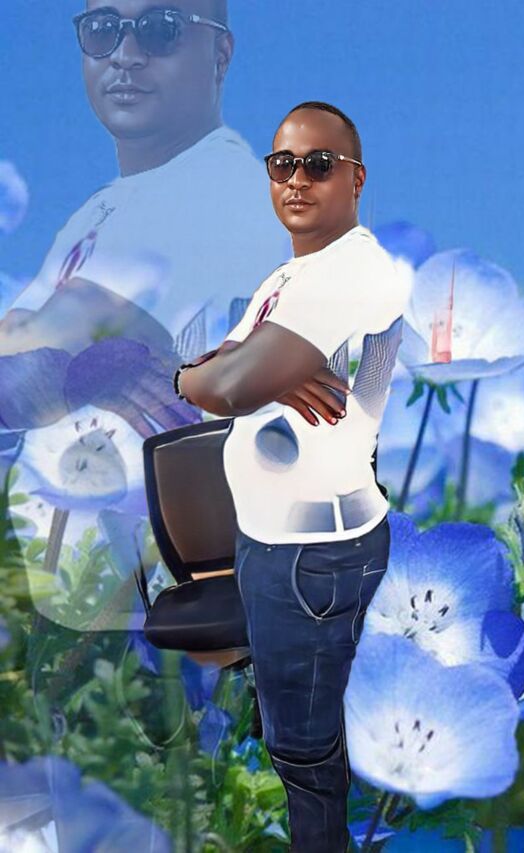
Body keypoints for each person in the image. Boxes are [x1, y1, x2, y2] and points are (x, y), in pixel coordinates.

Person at [0, 0, 287, 633]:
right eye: (103, 30)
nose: (125, 56)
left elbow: (41, 358)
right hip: (70, 590)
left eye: (161, 30)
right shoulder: (101, 209)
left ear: (220, 54)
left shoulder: (216, 187)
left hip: (143, 605)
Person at [178, 101, 411, 853]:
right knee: (291, 721)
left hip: (313, 550)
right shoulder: (290, 274)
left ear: (356, 179)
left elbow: (226, 386)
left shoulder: (354, 270)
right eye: (283, 164)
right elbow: (212, 375)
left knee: (304, 749)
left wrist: (239, 375)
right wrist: (235, 372)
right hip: (270, 540)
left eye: (318, 165)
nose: (297, 180)